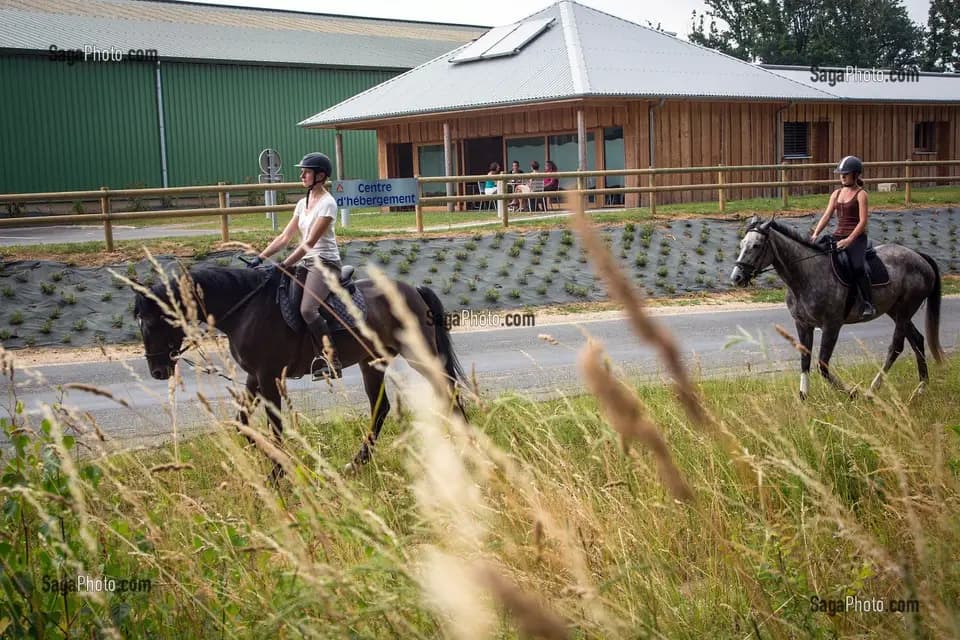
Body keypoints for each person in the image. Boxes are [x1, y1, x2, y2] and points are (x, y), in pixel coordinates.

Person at [250, 152, 343, 379]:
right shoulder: (303, 203)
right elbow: (285, 237)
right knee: (281, 302)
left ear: (320, 176)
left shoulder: (328, 204)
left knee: (307, 309)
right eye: (302, 171)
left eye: (307, 172)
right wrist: (259, 258)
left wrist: (282, 264)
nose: (301, 175)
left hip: (324, 263)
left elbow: (309, 243)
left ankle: (332, 360)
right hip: (305, 262)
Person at [810, 155, 875, 319]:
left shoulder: (861, 194)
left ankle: (868, 303)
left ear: (856, 174)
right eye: (841, 174)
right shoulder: (836, 193)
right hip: (838, 235)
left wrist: (849, 240)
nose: (842, 176)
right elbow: (826, 215)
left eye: (845, 173)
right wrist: (816, 233)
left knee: (858, 266)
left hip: (856, 238)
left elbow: (863, 222)